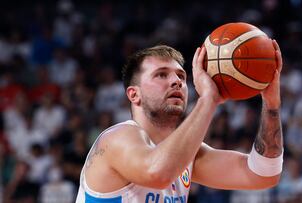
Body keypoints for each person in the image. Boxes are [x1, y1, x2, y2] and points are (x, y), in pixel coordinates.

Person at [75, 42, 284, 202]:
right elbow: (158, 172)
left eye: (181, 76)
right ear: (134, 95)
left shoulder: (187, 155)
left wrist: (271, 104)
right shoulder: (117, 139)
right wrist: (208, 99)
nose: (176, 81)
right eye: (161, 75)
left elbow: (263, 175)